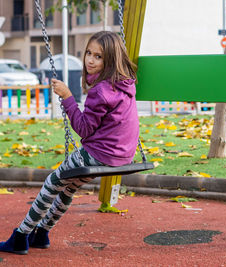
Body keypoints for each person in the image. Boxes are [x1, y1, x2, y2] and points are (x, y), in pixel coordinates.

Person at [0, 31, 139, 255]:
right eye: (89, 53)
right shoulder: (124, 85)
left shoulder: (101, 91)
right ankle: (42, 234)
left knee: (52, 183)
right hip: (122, 155)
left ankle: (21, 235)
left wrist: (67, 97)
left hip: (100, 154)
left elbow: (83, 128)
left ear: (111, 60)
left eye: (99, 57)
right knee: (69, 186)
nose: (91, 60)